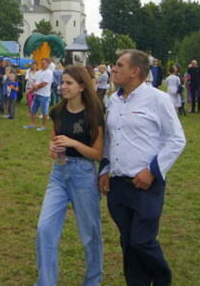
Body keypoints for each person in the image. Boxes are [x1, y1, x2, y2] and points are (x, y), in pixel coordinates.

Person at [98, 49, 186, 286]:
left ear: (135, 72)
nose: (113, 69)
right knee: (128, 242)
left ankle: (162, 279)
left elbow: (176, 139)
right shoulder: (113, 99)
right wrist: (104, 169)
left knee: (141, 241)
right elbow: (109, 138)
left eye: (119, 65)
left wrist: (152, 171)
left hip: (146, 185)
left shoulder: (158, 99)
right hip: (118, 186)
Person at [35, 65, 104, 286]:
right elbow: (55, 140)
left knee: (90, 234)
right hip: (59, 174)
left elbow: (97, 153)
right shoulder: (57, 111)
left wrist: (73, 142)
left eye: (68, 83)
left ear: (81, 87)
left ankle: (92, 281)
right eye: (62, 82)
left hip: (84, 175)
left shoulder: (94, 114)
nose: (62, 86)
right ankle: (46, 282)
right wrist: (52, 148)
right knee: (44, 229)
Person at [24, 58, 54, 131]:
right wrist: (33, 87)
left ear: (48, 64)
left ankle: (43, 126)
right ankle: (32, 124)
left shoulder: (49, 73)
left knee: (44, 111)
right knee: (33, 109)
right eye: (42, 63)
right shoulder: (39, 72)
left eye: (44, 63)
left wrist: (32, 89)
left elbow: (43, 84)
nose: (42, 64)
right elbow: (34, 80)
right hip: (37, 93)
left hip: (44, 95)